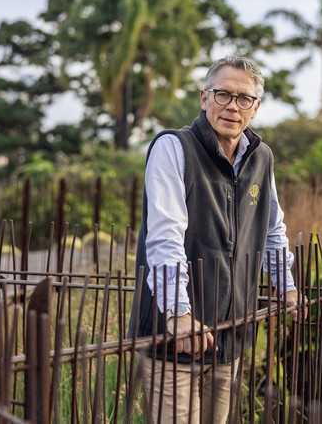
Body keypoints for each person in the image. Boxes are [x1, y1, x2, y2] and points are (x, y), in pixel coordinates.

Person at [129, 55, 303, 423]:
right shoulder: (173, 148)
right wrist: (179, 314)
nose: (232, 107)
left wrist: (285, 286)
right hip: (172, 339)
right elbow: (164, 237)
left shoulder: (261, 157)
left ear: (255, 108)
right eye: (222, 94)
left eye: (243, 99)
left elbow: (273, 229)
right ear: (204, 98)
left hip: (230, 336)